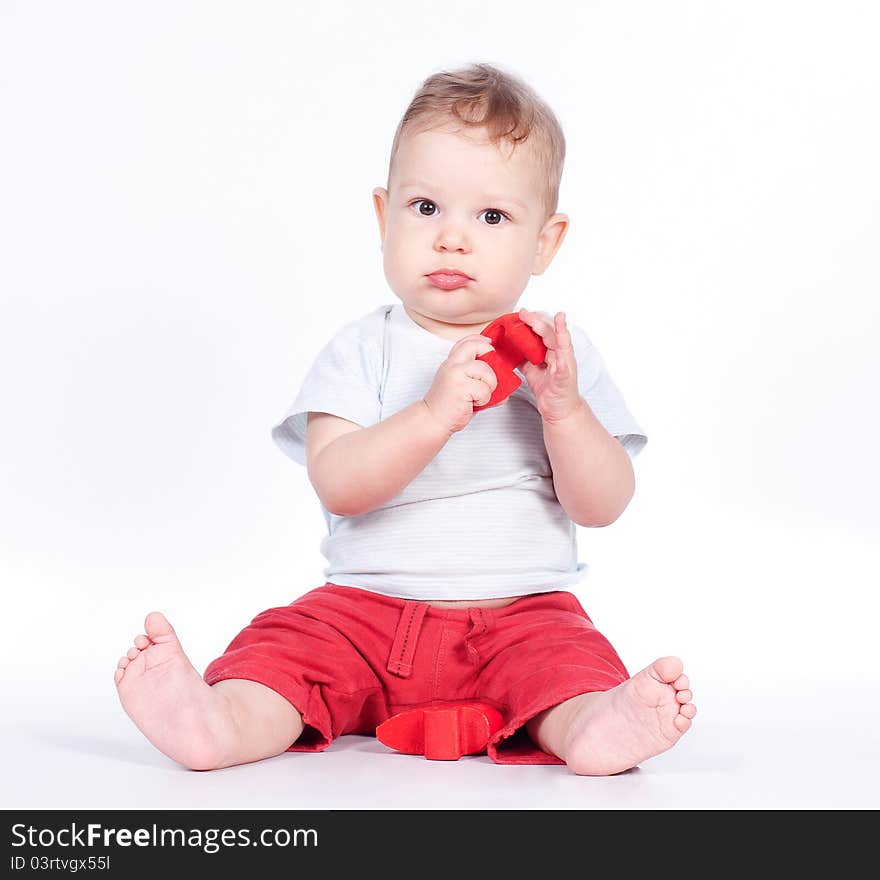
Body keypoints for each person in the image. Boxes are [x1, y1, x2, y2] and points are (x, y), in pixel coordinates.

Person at [115, 62, 695, 775]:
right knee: (285, 648)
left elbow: (604, 505)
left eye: (491, 216)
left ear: (545, 242)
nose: (452, 238)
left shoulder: (558, 361)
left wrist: (564, 410)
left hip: (519, 617)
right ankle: (221, 721)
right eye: (425, 208)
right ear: (383, 216)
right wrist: (430, 415)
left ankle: (590, 727)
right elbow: (338, 483)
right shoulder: (362, 349)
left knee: (567, 661)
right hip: (362, 610)